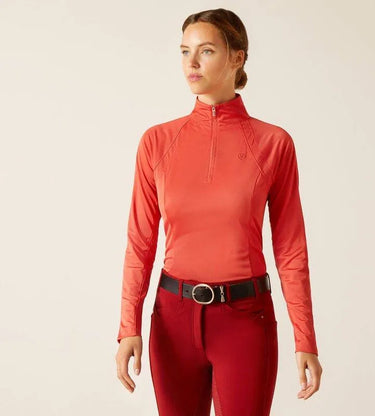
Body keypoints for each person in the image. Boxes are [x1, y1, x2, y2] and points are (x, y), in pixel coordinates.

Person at [115, 7, 323, 416]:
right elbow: (140, 242)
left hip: (245, 321)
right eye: (184, 51)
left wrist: (305, 339)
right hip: (172, 321)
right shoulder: (157, 142)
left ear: (237, 57)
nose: (191, 62)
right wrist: (128, 327)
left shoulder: (273, 144)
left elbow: (290, 248)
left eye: (206, 50)